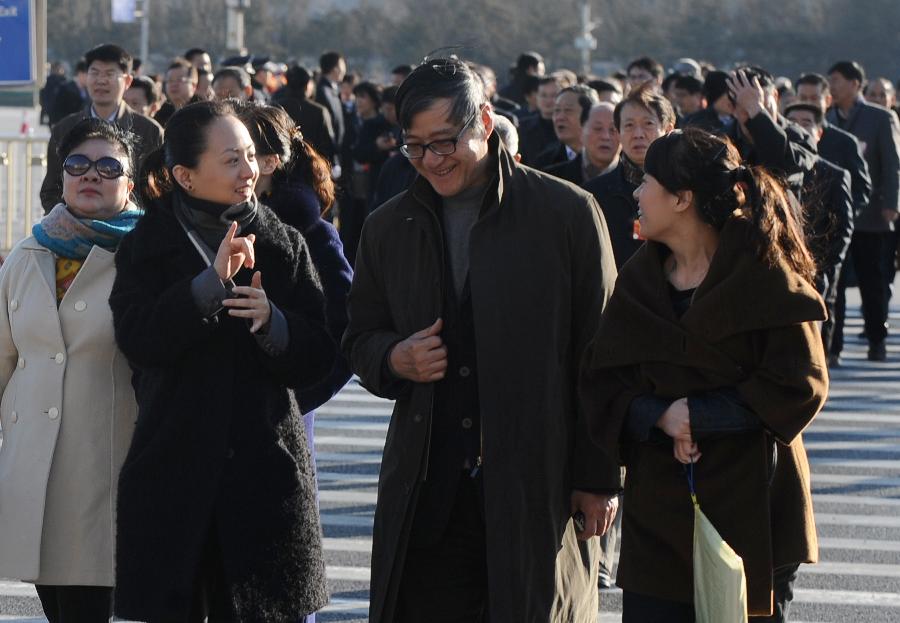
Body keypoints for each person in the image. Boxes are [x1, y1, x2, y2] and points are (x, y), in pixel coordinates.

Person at [342, 57, 620, 623]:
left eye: (445, 142)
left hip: (535, 485)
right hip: (428, 491)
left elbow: (604, 357)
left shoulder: (565, 213)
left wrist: (598, 478)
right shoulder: (388, 226)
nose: (432, 161)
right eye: (415, 147)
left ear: (486, 122)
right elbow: (360, 337)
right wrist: (395, 357)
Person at [580, 127, 828, 623]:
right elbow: (602, 380)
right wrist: (659, 416)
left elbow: (800, 384)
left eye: (646, 180)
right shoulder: (640, 278)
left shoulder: (766, 274)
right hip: (659, 513)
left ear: (682, 199)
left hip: (752, 503)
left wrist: (700, 416)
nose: (636, 193)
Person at [109, 100, 334, 621]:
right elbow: (138, 338)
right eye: (231, 159)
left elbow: (320, 351)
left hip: (265, 475)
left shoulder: (284, 244)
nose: (249, 170)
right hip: (173, 470)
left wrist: (274, 322)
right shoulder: (150, 244)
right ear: (185, 175)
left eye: (251, 155)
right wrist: (206, 288)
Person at [0, 118, 142, 622]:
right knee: (56, 605)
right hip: (32, 462)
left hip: (108, 459)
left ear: (131, 181)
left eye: (109, 167)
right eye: (78, 165)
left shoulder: (147, 255)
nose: (91, 176)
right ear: (61, 176)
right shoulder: (27, 253)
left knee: (87, 604)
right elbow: (4, 358)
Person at [237, 102, 354, 623]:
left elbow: (345, 326)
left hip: (279, 417)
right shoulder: (203, 219)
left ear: (270, 160)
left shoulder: (306, 227)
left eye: (244, 152)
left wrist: (296, 392)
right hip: (209, 415)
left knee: (280, 557)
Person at [826, 60, 900, 361]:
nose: (832, 86)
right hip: (835, 214)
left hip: (872, 215)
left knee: (873, 280)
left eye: (837, 81)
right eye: (829, 81)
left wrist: (891, 204)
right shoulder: (827, 117)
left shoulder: (880, 118)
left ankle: (876, 337)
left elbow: (892, 164)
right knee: (837, 284)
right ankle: (834, 345)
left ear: (855, 84)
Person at [40, 44, 163, 213]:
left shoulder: (150, 131)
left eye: (110, 74)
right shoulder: (65, 128)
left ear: (127, 81)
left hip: (132, 231)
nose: (101, 80)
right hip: (75, 232)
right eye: (95, 73)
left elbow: (158, 191)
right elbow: (50, 190)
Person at [785, 102, 854, 354]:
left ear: (819, 132)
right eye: (792, 122)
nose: (798, 128)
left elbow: (843, 227)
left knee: (819, 327)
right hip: (783, 266)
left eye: (806, 123)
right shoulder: (776, 168)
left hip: (820, 264)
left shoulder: (835, 174)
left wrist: (828, 266)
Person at [584, 84, 676, 268]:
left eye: (648, 124)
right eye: (629, 125)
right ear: (618, 133)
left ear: (668, 130)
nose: (638, 134)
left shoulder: (683, 191)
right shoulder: (593, 196)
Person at [272, 65, 336, 164]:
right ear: (307, 85)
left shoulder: (274, 107)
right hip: (311, 166)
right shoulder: (319, 111)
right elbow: (328, 145)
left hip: (282, 166)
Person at [546, 102, 619, 185]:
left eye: (613, 130)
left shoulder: (634, 182)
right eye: (598, 128)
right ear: (581, 131)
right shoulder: (552, 178)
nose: (606, 137)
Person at [533, 84, 599, 170]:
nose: (560, 117)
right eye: (557, 110)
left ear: (589, 115)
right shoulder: (544, 162)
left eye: (568, 110)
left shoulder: (609, 157)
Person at [518, 75, 561, 165]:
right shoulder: (522, 127)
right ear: (537, 97)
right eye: (543, 95)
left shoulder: (569, 127)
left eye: (554, 95)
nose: (548, 100)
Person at [316, 51, 348, 157]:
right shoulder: (323, 92)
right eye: (343, 65)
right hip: (327, 154)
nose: (344, 70)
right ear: (335, 68)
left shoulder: (330, 90)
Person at [155, 57, 200, 126]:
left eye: (179, 80)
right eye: (170, 80)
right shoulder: (160, 113)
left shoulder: (202, 112)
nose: (174, 84)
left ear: (193, 86)